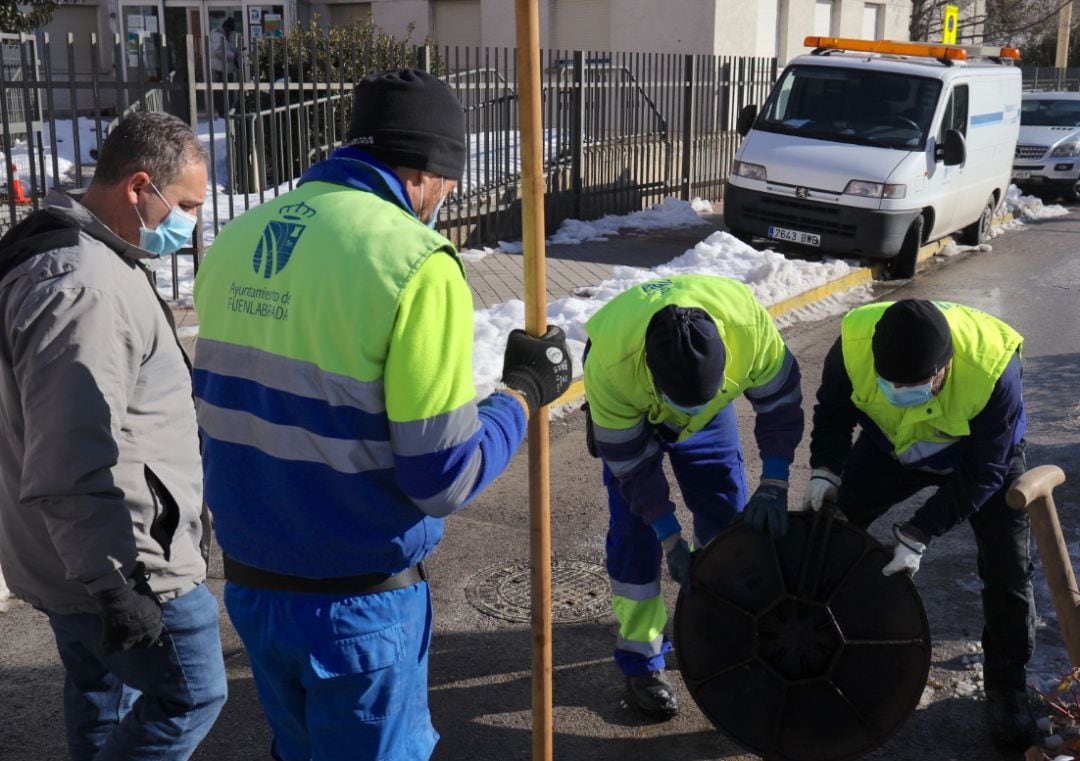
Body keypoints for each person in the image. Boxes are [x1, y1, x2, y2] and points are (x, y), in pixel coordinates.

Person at [191, 68, 571, 761]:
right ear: (427, 170)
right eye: (448, 186)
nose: (443, 202)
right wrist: (521, 394)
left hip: (252, 587)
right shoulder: (415, 262)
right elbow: (442, 474)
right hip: (356, 605)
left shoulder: (238, 238)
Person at [0, 111, 226, 759]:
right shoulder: (83, 284)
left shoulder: (76, 255)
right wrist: (115, 584)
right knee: (190, 695)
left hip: (70, 555)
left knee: (105, 695)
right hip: (124, 562)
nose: (190, 224)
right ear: (137, 186)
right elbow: (72, 446)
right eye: (184, 205)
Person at [804, 298, 1033, 749]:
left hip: (976, 457)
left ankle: (1009, 688)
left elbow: (985, 472)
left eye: (913, 384)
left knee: (1008, 569)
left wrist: (920, 532)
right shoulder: (852, 345)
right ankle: (808, 639)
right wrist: (825, 470)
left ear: (944, 369)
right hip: (891, 444)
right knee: (826, 531)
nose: (896, 389)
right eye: (889, 382)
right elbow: (832, 410)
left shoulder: (993, 368)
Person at [583, 274, 804, 719]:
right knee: (634, 533)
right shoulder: (611, 367)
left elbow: (780, 402)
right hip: (634, 411)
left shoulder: (749, 329)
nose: (687, 414)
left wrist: (776, 480)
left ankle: (719, 630)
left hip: (712, 408)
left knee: (726, 516)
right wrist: (668, 535)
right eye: (682, 404)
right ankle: (642, 660)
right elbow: (632, 467)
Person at [209, 16, 239, 117]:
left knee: (227, 92)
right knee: (222, 93)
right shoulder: (218, 36)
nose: (230, 33)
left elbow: (228, 47)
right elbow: (218, 51)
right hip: (221, 70)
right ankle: (222, 113)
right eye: (230, 31)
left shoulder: (223, 36)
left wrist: (236, 50)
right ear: (226, 28)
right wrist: (233, 55)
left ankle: (226, 110)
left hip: (226, 70)